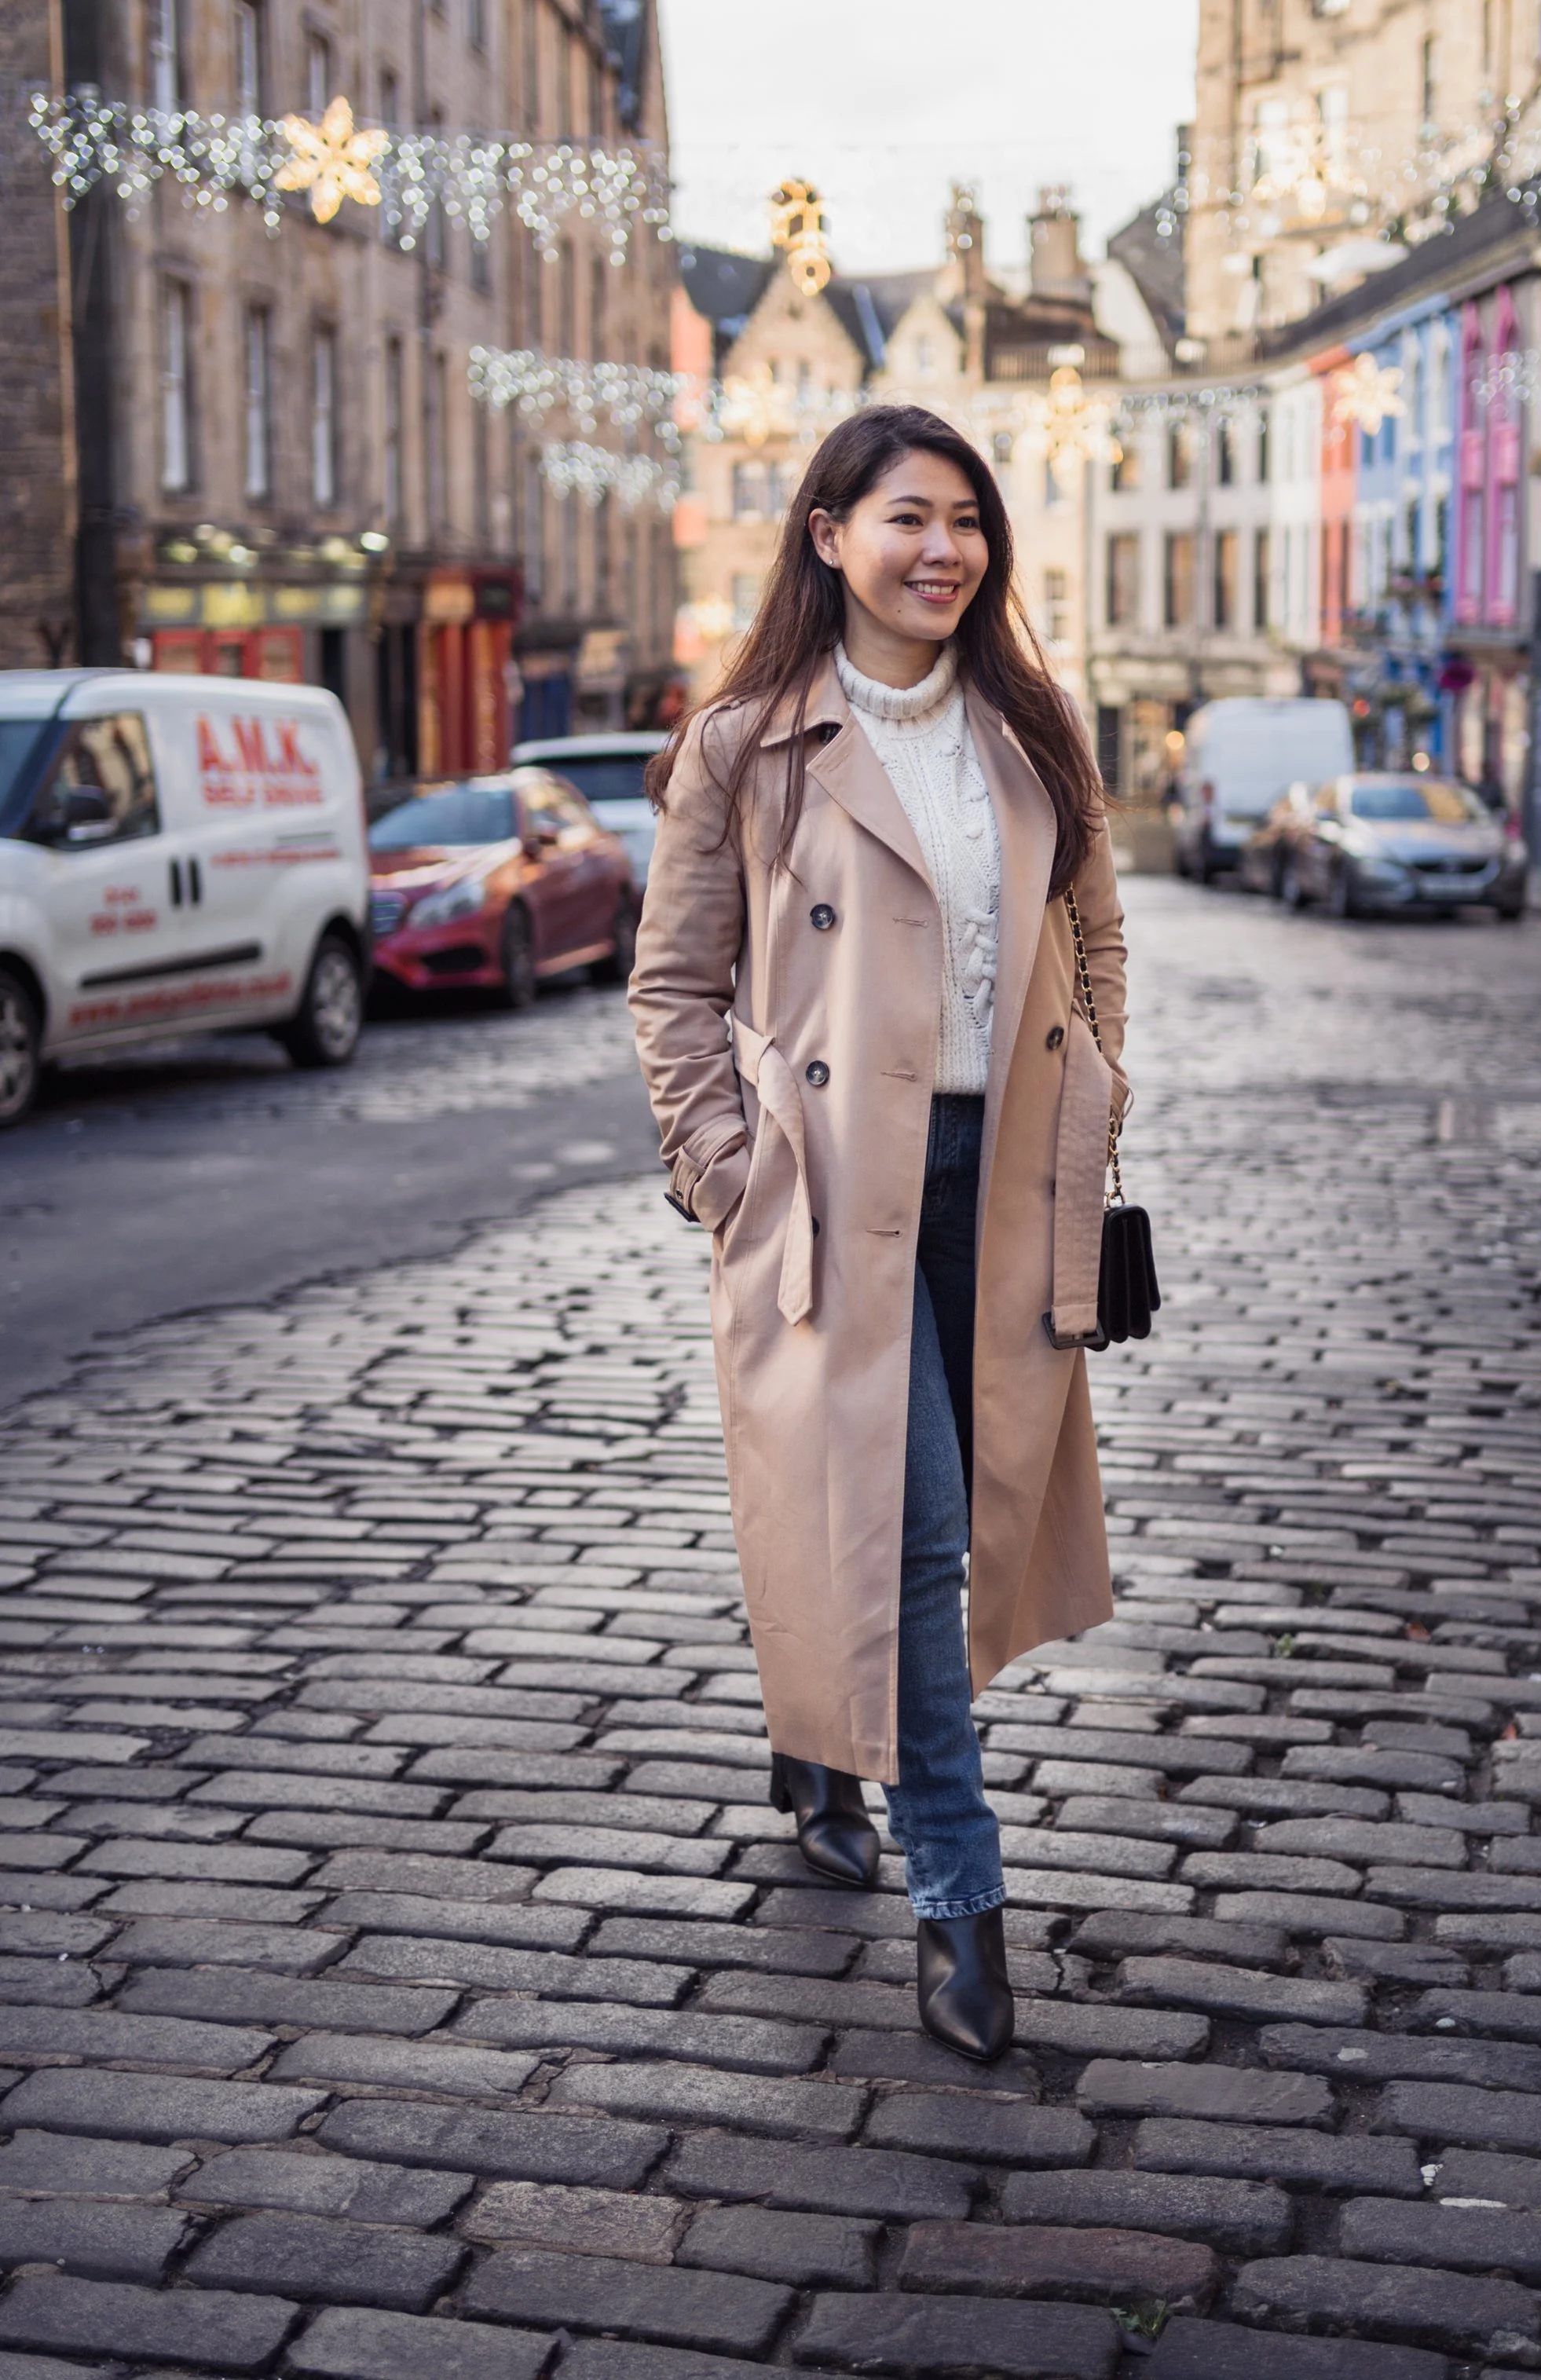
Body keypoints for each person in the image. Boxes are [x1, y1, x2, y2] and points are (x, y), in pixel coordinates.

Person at [629, 405, 1127, 2063]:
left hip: (1003, 1177)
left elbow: (1093, 935)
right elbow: (672, 986)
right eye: (908, 516)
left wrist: (1091, 1081)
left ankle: (821, 1746)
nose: (944, 549)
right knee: (907, 1533)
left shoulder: (1033, 729)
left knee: (957, 1515)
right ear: (827, 533)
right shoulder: (746, 744)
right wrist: (730, 1171)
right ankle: (959, 1901)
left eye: (968, 520)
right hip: (838, 1186)